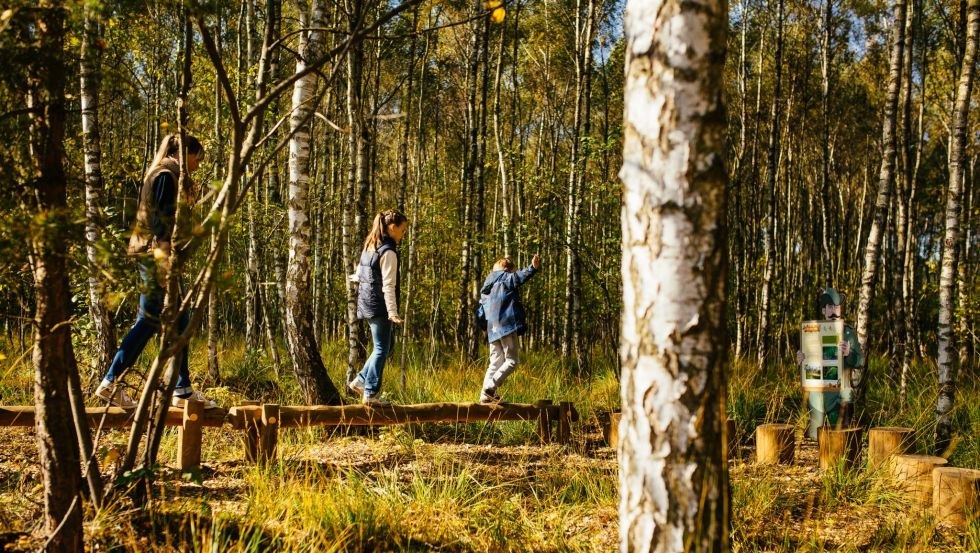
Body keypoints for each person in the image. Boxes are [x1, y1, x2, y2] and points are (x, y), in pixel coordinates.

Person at [94, 134, 216, 409]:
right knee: (150, 320)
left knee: (180, 321)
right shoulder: (164, 176)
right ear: (184, 154)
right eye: (197, 158)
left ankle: (181, 389)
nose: (198, 164)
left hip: (158, 255)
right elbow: (161, 223)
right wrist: (163, 263)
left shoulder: (168, 175)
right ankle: (111, 382)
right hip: (156, 256)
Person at [347, 209, 409, 406]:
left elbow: (359, 275)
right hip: (379, 305)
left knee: (387, 346)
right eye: (402, 230)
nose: (403, 234)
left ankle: (360, 380)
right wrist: (392, 312)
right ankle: (370, 393)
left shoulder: (371, 246)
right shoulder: (388, 252)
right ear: (392, 227)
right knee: (382, 348)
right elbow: (388, 285)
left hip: (366, 302)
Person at [796, 287, 864, 438]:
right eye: (830, 307)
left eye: (837, 307)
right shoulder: (812, 331)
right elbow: (809, 365)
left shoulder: (848, 332)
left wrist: (848, 353)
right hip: (817, 396)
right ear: (823, 310)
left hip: (840, 396)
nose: (834, 310)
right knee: (816, 437)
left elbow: (860, 361)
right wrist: (801, 361)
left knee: (840, 437)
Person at [477, 254, 541, 403]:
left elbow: (480, 311)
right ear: (507, 270)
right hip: (506, 325)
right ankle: (491, 388)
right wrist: (532, 268)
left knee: (495, 363)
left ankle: (484, 396)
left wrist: (484, 327)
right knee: (512, 361)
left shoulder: (486, 288)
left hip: (492, 329)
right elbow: (519, 276)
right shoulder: (505, 278)